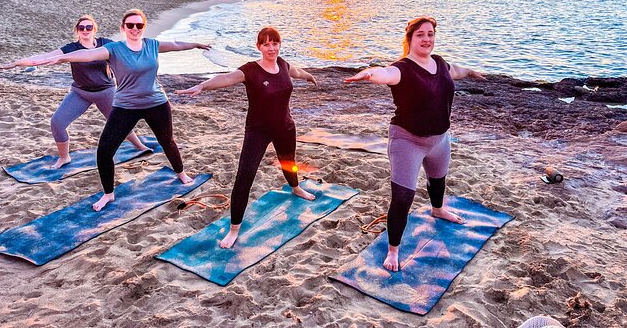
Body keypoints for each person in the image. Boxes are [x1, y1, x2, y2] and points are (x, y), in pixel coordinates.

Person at [33, 9, 210, 211]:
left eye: (139, 25)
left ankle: (181, 173)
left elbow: (177, 45)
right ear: (123, 28)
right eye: (130, 25)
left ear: (144, 27)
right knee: (104, 151)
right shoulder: (114, 49)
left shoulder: (152, 45)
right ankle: (108, 194)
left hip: (157, 103)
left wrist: (196, 44)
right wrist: (61, 58)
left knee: (167, 141)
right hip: (126, 105)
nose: (135, 29)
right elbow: (88, 55)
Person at [345, 16, 485, 271]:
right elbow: (385, 74)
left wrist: (473, 72)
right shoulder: (403, 68)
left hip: (440, 139)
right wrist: (368, 74)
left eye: (430, 34)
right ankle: (393, 250)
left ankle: (438, 210)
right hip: (407, 141)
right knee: (402, 197)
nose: (427, 39)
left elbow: (458, 71)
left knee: (438, 179)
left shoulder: (440, 63)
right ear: (410, 38)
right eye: (421, 34)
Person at [179, 27, 317, 248]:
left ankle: (295, 187)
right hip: (257, 132)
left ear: (279, 45)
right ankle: (234, 228)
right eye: (266, 44)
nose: (271, 48)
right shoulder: (251, 70)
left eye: (275, 43)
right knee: (245, 176)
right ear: (259, 47)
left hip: (285, 127)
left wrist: (309, 76)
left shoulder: (282, 64)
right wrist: (202, 86)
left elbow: (296, 72)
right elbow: (226, 78)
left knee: (288, 162)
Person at [0, 14, 149, 168]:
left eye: (89, 27)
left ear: (94, 29)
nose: (85, 30)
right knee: (57, 122)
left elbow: (127, 57)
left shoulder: (106, 44)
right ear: (77, 30)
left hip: (106, 92)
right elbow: (45, 57)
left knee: (119, 123)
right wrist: (16, 63)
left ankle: (140, 146)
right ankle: (64, 157)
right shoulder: (72, 48)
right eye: (81, 27)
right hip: (80, 93)